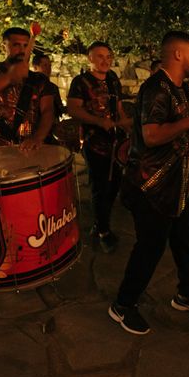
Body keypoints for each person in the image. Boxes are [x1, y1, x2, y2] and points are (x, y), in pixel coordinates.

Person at [108, 30, 189, 335]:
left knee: (185, 240)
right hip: (149, 184)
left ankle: (187, 294)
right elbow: (151, 136)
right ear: (177, 54)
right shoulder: (155, 89)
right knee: (150, 247)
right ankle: (122, 305)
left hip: (176, 183)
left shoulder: (185, 91)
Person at [67, 41, 131, 253]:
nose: (105, 60)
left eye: (108, 56)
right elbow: (73, 109)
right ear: (90, 58)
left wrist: (126, 124)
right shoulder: (81, 81)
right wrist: (98, 121)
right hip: (94, 141)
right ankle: (103, 230)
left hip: (115, 141)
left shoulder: (113, 79)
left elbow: (118, 107)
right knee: (99, 185)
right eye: (100, 56)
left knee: (114, 184)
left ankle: (99, 222)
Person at [0, 27, 55, 150]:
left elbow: (48, 111)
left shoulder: (39, 79)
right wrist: (8, 77)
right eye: (16, 45)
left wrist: (38, 138)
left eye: (25, 45)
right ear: (4, 47)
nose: (22, 50)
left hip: (29, 146)